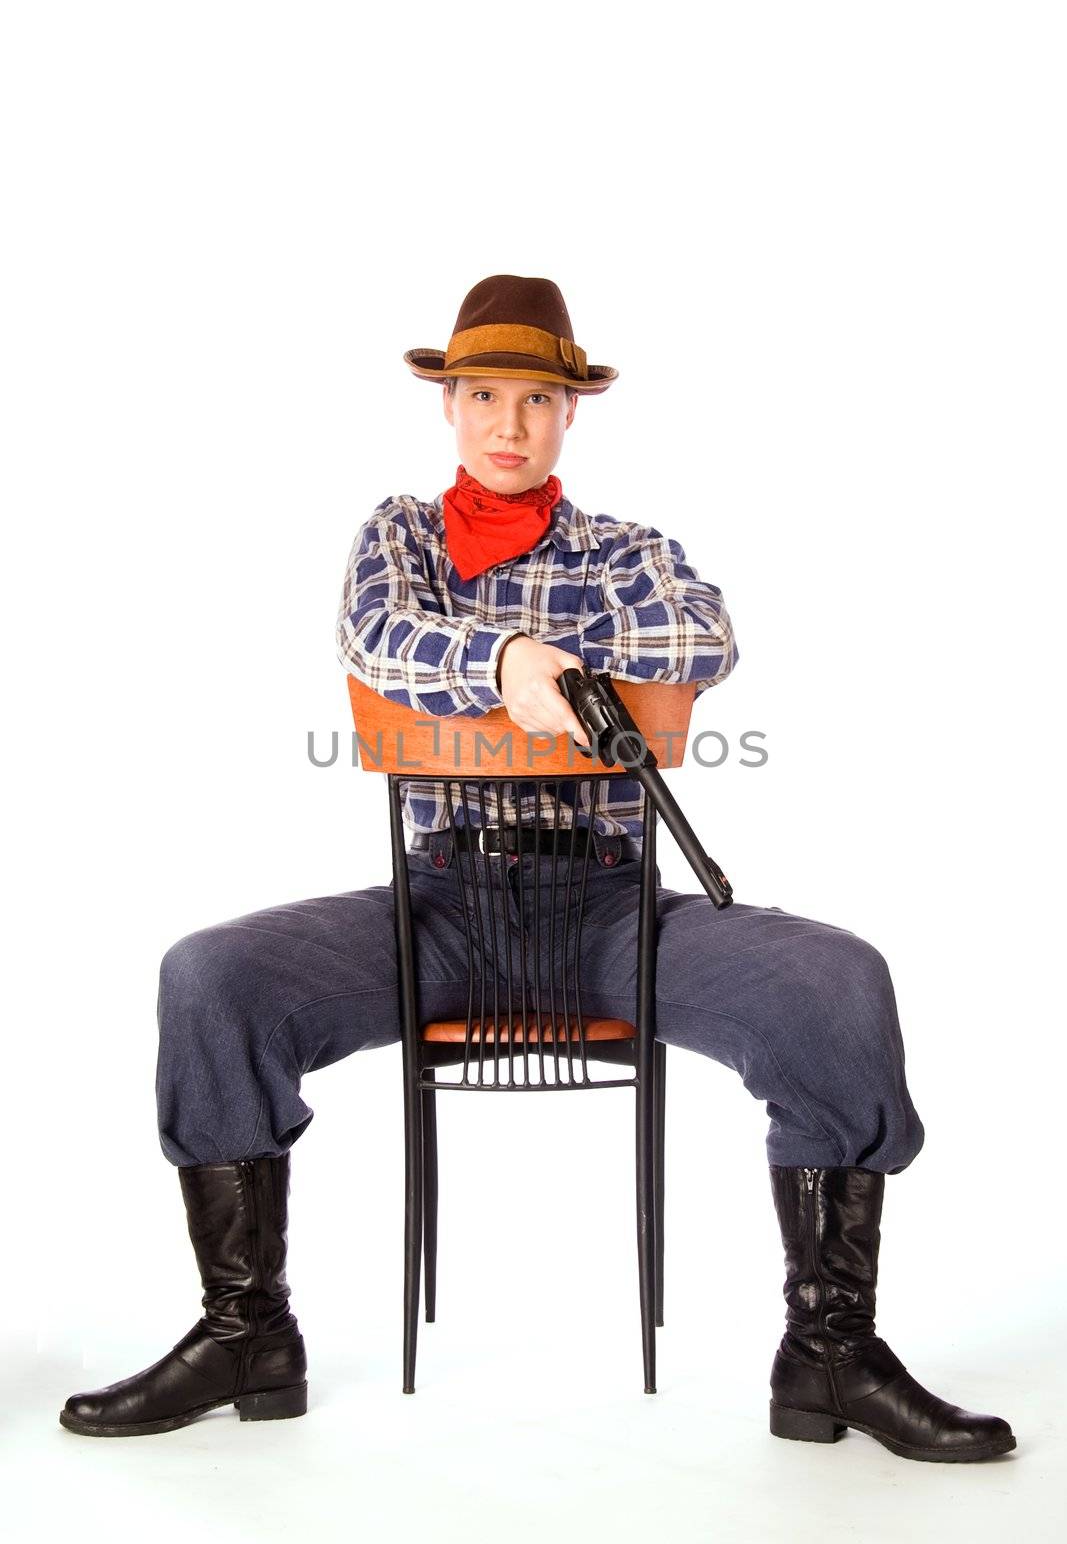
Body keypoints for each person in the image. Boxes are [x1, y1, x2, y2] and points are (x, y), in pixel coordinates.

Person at [59, 274, 1016, 1463]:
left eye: (533, 399)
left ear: (570, 414)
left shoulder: (624, 549)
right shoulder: (400, 535)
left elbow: (702, 638)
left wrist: (537, 667)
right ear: (447, 407)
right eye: (481, 396)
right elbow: (374, 638)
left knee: (836, 983)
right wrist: (506, 659)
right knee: (209, 976)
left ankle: (827, 1353)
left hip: (610, 904)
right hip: (445, 905)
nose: (506, 424)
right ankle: (245, 1330)